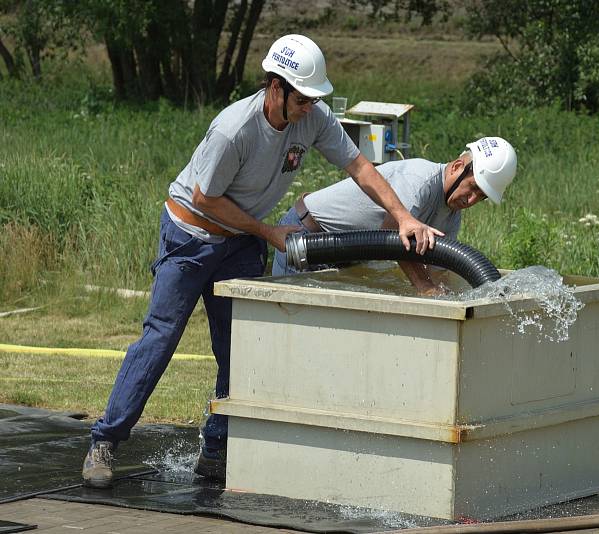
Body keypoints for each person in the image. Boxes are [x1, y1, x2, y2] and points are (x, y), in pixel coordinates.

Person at [82, 34, 442, 488]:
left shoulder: (312, 118)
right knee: (161, 338)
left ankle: (215, 450)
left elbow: (362, 168)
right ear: (276, 87)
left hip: (240, 240)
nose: (310, 106)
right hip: (190, 237)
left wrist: (403, 217)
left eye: (314, 98)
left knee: (240, 348)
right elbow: (205, 199)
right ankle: (105, 442)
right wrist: (269, 232)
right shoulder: (234, 129)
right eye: (303, 97)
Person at [272, 136, 517, 295]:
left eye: (481, 196)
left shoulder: (451, 215)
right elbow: (392, 236)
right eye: (473, 188)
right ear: (456, 167)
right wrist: (424, 287)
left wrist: (455, 295)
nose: (472, 200)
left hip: (343, 256)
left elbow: (437, 270)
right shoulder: (419, 180)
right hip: (305, 238)